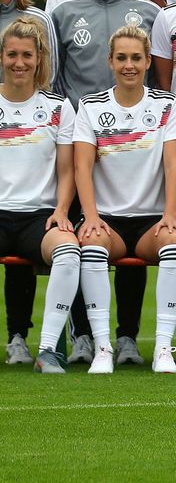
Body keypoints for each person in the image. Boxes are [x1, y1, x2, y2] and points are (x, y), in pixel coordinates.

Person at [49, 0, 158, 366]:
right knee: (83, 233)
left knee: (131, 229)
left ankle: (128, 335)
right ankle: (82, 336)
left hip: (133, 146)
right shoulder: (62, 14)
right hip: (81, 144)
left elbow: (161, 83)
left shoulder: (150, 13)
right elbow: (55, 82)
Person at [73, 25, 176, 374]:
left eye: (136, 57)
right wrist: (90, 217)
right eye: (121, 58)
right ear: (110, 61)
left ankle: (163, 349)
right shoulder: (90, 107)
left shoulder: (168, 105)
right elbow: (81, 167)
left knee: (175, 242)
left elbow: (173, 163)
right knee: (91, 243)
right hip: (108, 221)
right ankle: (103, 347)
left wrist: (170, 215)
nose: (129, 65)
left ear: (149, 61)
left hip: (152, 220)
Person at [0, 19, 80, 373]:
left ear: (39, 58)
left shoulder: (59, 107)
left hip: (39, 216)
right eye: (12, 54)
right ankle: (15, 339)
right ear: (2, 57)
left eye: (27, 55)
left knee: (68, 251)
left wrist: (62, 210)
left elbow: (67, 170)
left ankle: (47, 350)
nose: (19, 63)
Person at [0, 0, 58, 360]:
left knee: (49, 242)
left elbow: (50, 71)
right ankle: (16, 335)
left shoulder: (36, 19)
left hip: (33, 129)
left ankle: (49, 341)